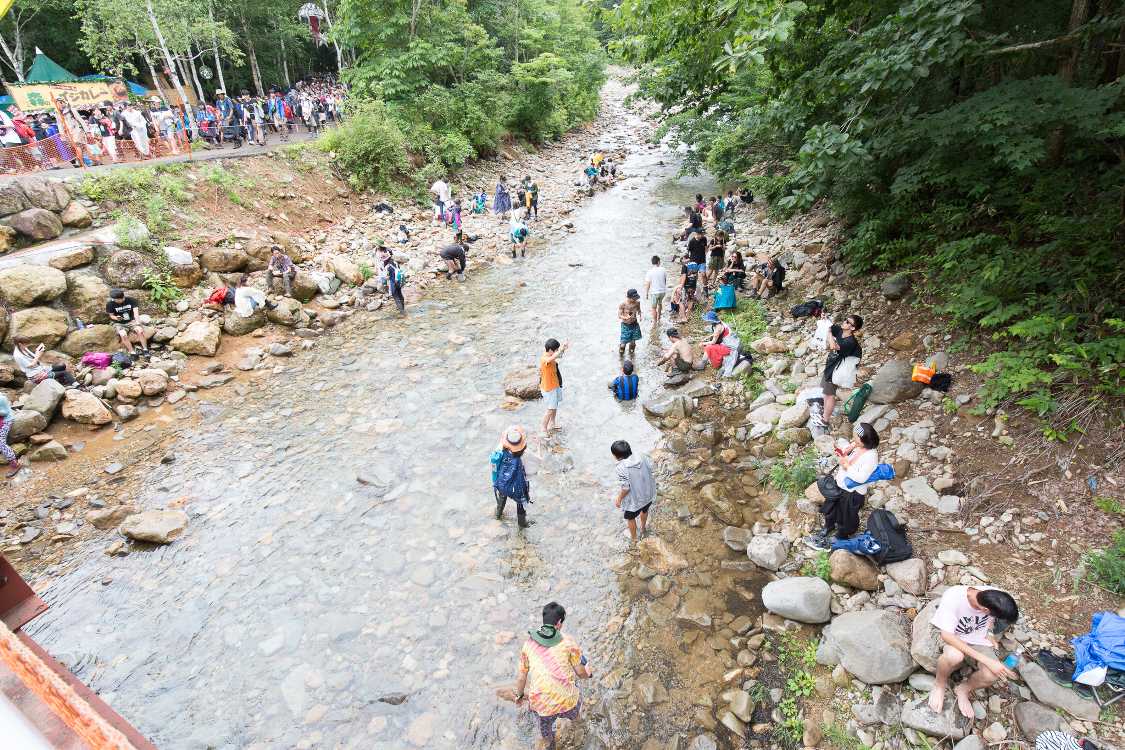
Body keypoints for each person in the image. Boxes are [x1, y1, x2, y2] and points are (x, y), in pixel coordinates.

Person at [926, 586, 1020, 719]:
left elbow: (991, 620)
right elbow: (946, 635)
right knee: (954, 656)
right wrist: (987, 660)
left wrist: (989, 633)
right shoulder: (954, 598)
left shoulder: (995, 596)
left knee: (992, 675)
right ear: (985, 609)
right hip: (953, 636)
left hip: (977, 637)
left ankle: (963, 689)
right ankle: (939, 684)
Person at [513, 602, 592, 750]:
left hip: (542, 707)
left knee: (546, 734)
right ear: (559, 623)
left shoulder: (528, 645)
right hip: (567, 701)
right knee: (575, 710)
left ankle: (550, 744)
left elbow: (521, 678)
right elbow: (581, 673)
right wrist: (589, 674)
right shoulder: (568, 641)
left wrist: (519, 696)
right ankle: (579, 725)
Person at [804, 422, 880, 550]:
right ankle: (828, 526)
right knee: (831, 508)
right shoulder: (857, 446)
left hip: (853, 492)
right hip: (840, 486)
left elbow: (862, 478)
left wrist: (847, 466)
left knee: (847, 516)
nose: (853, 438)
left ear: (863, 441)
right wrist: (842, 451)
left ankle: (841, 535)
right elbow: (847, 453)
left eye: (856, 436)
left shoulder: (871, 457)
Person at [814, 314, 863, 429]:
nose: (844, 322)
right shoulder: (841, 331)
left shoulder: (851, 342)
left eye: (848, 322)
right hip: (831, 366)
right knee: (825, 392)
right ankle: (824, 413)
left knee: (830, 394)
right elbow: (830, 325)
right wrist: (825, 319)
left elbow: (833, 346)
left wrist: (829, 333)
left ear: (852, 328)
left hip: (837, 371)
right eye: (845, 320)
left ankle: (825, 420)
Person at [611, 440, 657, 542]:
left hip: (635, 500)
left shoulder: (621, 467)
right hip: (648, 493)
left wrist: (619, 499)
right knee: (645, 510)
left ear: (618, 457)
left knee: (630, 518)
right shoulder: (642, 455)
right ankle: (643, 528)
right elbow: (652, 468)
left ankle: (634, 538)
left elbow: (626, 488)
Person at [492, 425, 532, 527]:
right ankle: (522, 524)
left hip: (502, 482)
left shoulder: (500, 450)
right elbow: (530, 472)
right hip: (517, 488)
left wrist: (495, 480)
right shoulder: (525, 456)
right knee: (520, 504)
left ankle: (498, 515)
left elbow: (494, 464)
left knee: (502, 497)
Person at [106, 289, 150, 355]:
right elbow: (111, 316)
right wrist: (116, 318)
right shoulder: (110, 304)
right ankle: (132, 352)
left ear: (123, 297)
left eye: (118, 300)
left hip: (131, 321)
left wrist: (137, 323)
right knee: (123, 334)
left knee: (140, 331)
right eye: (114, 299)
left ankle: (145, 349)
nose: (116, 301)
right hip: (119, 323)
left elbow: (136, 312)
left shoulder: (131, 300)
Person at [539, 338, 568, 433]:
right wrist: (560, 351)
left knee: (554, 406)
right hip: (548, 388)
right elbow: (551, 358)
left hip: (555, 384)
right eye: (556, 350)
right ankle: (543, 428)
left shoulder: (551, 355)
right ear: (551, 350)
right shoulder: (544, 358)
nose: (557, 352)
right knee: (550, 409)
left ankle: (552, 424)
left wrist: (563, 349)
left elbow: (557, 356)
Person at [672, 259, 701, 323]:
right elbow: (697, 276)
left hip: (686, 286)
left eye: (683, 259)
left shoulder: (685, 266)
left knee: (680, 301)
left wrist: (680, 287)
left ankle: (684, 318)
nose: (682, 261)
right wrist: (695, 285)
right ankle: (688, 315)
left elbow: (684, 277)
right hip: (693, 285)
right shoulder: (695, 264)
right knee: (690, 300)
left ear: (686, 259)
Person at [379, 246, 406, 314]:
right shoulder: (395, 262)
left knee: (396, 297)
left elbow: (386, 277)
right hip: (399, 281)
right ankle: (403, 308)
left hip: (393, 282)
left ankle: (402, 313)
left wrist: (384, 284)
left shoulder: (387, 266)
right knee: (400, 295)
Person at [618, 289, 642, 359]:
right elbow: (619, 315)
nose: (635, 299)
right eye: (633, 298)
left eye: (636, 298)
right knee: (623, 344)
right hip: (625, 325)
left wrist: (640, 315)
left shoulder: (637, 303)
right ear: (629, 297)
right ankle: (621, 358)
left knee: (633, 343)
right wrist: (625, 317)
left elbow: (639, 310)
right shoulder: (623, 304)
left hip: (634, 324)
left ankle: (632, 357)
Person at [643, 255, 667, 324]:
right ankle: (659, 318)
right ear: (658, 262)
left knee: (653, 307)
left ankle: (655, 322)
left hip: (654, 292)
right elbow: (665, 281)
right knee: (660, 304)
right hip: (662, 292)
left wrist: (646, 293)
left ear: (652, 263)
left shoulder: (649, 272)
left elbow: (648, 284)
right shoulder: (663, 269)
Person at [1, 394, 20, 479]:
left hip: (6, 420)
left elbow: (4, 412)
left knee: (1, 442)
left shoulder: (1, 398)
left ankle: (15, 464)